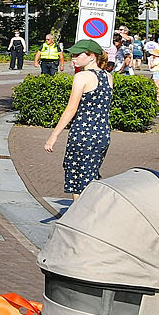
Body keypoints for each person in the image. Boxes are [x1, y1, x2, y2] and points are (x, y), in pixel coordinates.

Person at [43, 40, 112, 203]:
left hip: (83, 133)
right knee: (91, 175)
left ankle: (81, 218)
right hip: (102, 133)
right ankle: (89, 215)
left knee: (77, 179)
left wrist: (54, 135)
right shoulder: (108, 76)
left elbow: (71, 109)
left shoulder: (82, 76)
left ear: (91, 57)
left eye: (77, 55)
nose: (72, 58)